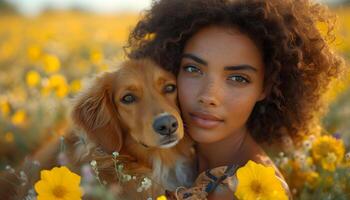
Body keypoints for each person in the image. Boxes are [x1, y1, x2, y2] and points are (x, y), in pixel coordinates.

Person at [125, 0, 343, 199]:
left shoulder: (245, 191)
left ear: (265, 88)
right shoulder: (174, 158)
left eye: (238, 78)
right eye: (193, 69)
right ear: (172, 69)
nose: (208, 96)